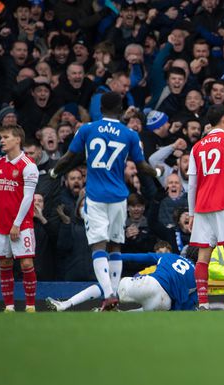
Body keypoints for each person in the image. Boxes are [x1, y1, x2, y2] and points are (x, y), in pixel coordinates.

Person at [50, 92, 160, 311]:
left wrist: (54, 172)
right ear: (120, 109)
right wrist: (156, 171)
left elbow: (70, 158)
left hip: (96, 196)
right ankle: (113, 294)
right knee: (115, 245)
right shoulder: (129, 134)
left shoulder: (87, 129)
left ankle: (109, 294)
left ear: (100, 108)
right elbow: (141, 166)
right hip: (119, 197)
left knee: (98, 246)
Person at [187, 104, 224, 311]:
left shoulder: (197, 147)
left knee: (203, 257)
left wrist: (192, 212)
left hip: (202, 206)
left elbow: (192, 184)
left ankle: (203, 303)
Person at [0, 125, 39, 312]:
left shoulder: (28, 165)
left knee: (26, 263)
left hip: (22, 223)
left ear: (17, 139)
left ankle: (30, 306)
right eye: (0, 137)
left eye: (5, 137)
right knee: (4, 263)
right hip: (1, 222)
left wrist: (17, 224)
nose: (1, 141)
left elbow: (28, 198)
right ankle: (9, 307)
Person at [47, 242, 198, 312]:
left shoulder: (170, 256)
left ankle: (65, 304)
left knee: (110, 288)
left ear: (186, 253)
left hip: (150, 284)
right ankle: (116, 314)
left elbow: (141, 258)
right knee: (141, 313)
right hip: (164, 303)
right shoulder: (198, 277)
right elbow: (187, 306)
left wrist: (116, 257)